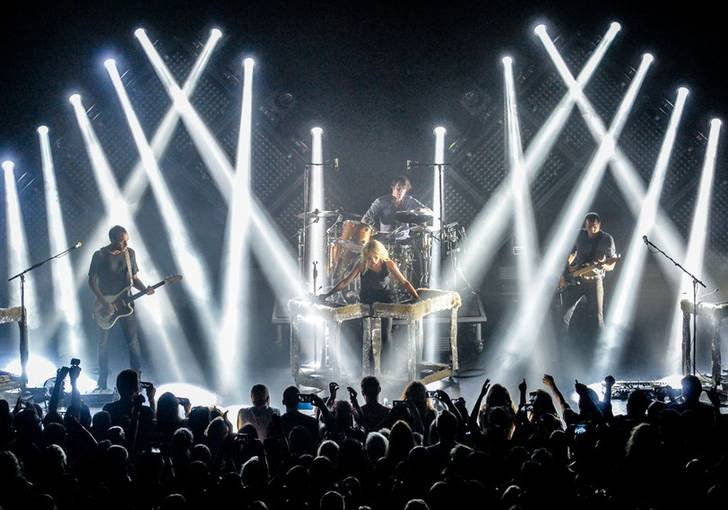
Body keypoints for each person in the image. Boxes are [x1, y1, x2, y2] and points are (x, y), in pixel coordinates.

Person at [88, 225, 155, 390]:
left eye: (127, 240)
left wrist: (145, 289)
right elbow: (92, 281)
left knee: (132, 342)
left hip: (127, 305)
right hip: (105, 305)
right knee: (103, 345)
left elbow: (134, 278)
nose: (125, 244)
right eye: (122, 241)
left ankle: (136, 379)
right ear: (112, 240)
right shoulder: (99, 255)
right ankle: (102, 381)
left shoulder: (129, 253)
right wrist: (105, 302)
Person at [560, 212, 617, 332]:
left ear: (599, 225)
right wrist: (567, 268)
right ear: (585, 225)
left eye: (594, 226)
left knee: (598, 317)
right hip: (577, 279)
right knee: (564, 314)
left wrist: (604, 265)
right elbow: (571, 253)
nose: (591, 229)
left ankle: (602, 342)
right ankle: (562, 340)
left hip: (595, 280)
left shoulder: (607, 239)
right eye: (588, 226)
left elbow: (612, 265)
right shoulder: (579, 235)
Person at [362, 175, 432, 238]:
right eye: (398, 189)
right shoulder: (380, 201)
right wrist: (371, 228)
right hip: (386, 239)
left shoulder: (409, 200)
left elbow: (428, 211)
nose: (400, 192)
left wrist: (420, 212)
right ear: (392, 188)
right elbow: (365, 219)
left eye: (403, 189)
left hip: (404, 240)